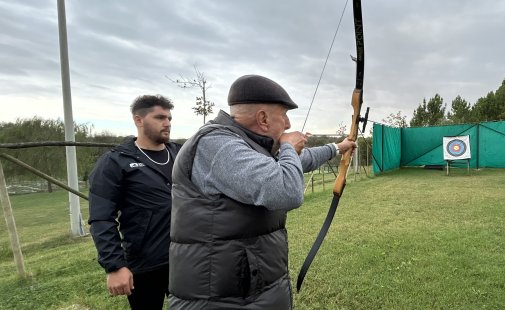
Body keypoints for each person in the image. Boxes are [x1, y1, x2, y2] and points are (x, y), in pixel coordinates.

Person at [168, 75, 357, 309]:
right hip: (220, 298)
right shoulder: (218, 144)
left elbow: (299, 160)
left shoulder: (247, 143)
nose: (288, 124)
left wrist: (337, 148)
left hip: (245, 287)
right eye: (284, 115)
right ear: (263, 118)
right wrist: (288, 146)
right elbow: (286, 191)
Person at [88, 95, 181, 309]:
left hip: (186, 258)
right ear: (138, 120)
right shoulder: (115, 162)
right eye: (159, 117)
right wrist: (115, 266)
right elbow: (102, 218)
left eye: (169, 118)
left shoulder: (180, 154)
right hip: (146, 264)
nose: (167, 123)